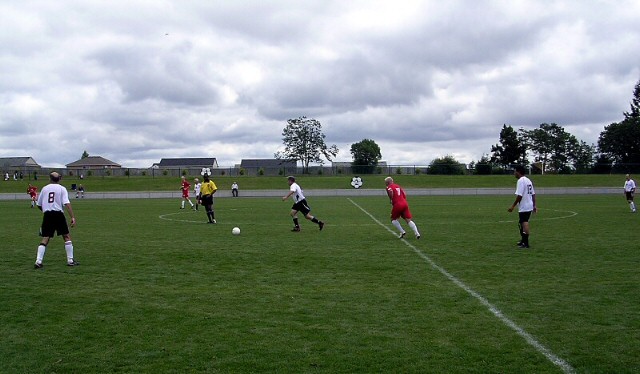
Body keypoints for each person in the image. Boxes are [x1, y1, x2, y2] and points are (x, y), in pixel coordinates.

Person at [34, 172, 78, 269]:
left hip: (47, 215)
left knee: (46, 237)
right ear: (59, 179)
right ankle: (70, 260)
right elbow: (66, 203)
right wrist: (72, 217)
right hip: (58, 214)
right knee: (66, 236)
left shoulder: (45, 189)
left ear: (50, 178)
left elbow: (39, 204)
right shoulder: (62, 189)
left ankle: (38, 261)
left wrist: (46, 211)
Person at [508, 165, 537, 249]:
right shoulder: (528, 180)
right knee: (521, 223)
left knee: (524, 222)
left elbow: (519, 195)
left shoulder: (521, 181)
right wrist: (534, 205)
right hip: (529, 205)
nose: (514, 173)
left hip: (524, 205)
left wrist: (513, 206)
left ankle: (526, 243)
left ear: (518, 172)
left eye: (515, 171)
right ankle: (523, 241)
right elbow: (533, 194)